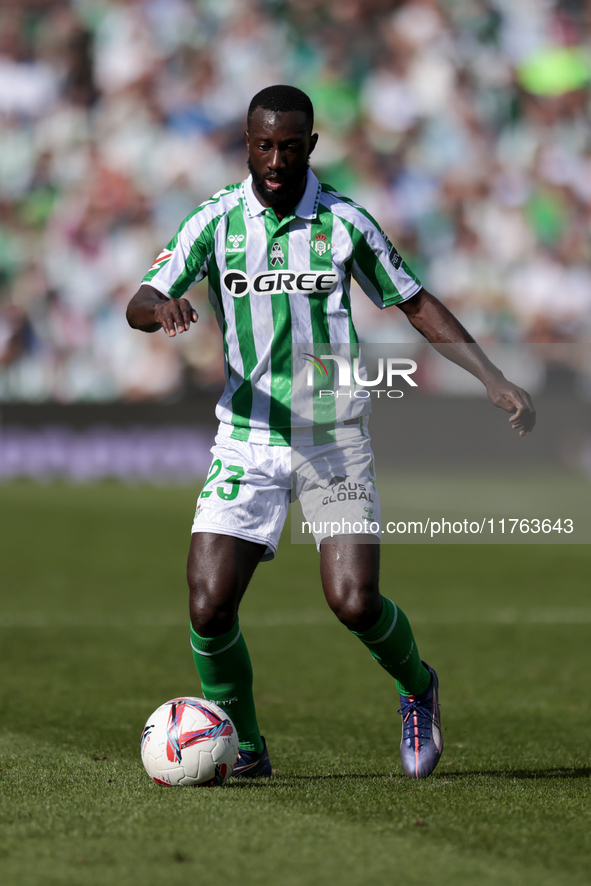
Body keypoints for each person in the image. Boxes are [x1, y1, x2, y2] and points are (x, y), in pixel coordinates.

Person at [126, 85, 535, 780]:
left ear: (310, 145)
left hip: (330, 435)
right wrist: (160, 307)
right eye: (264, 145)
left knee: (352, 602)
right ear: (247, 145)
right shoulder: (214, 221)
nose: (276, 159)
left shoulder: (344, 221)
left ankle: (417, 686)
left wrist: (489, 376)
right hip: (247, 438)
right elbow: (140, 298)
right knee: (209, 603)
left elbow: (414, 302)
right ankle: (248, 749)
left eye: (290, 145)